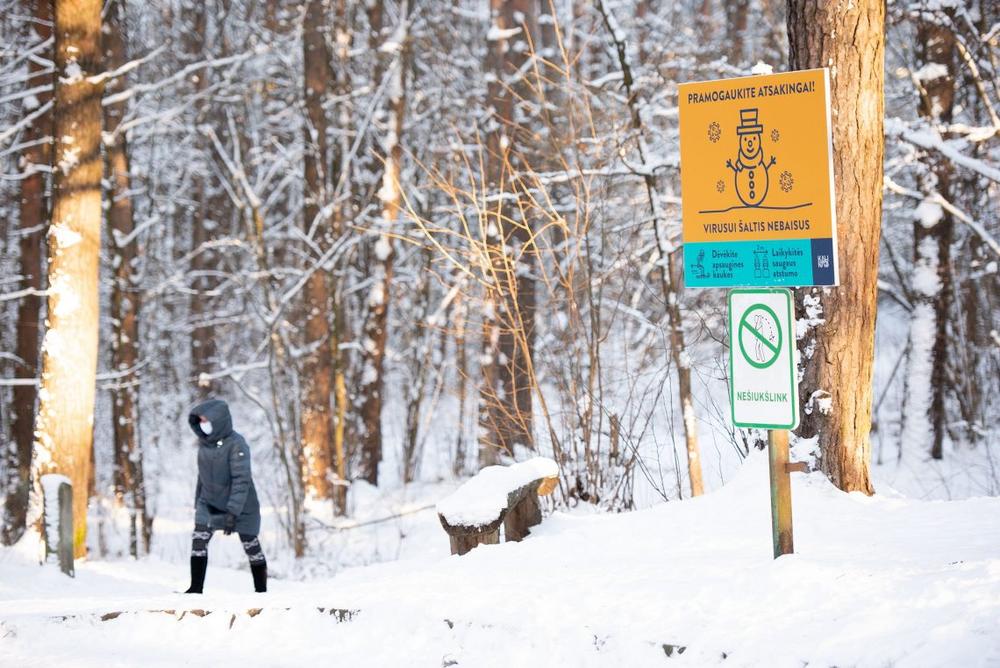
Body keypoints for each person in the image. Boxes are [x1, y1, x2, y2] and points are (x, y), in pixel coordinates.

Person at [184, 398, 267, 594]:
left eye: (207, 420)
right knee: (199, 539)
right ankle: (195, 589)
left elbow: (241, 480)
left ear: (218, 420)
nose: (203, 425)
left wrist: (232, 511)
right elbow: (202, 476)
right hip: (210, 501)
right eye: (200, 421)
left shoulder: (237, 444)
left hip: (241, 504)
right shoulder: (204, 445)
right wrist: (198, 504)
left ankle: (261, 591)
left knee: (250, 544)